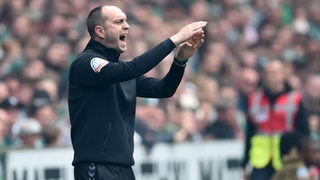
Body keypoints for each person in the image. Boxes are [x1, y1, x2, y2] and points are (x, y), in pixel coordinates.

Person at [67, 5, 207, 180]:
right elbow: (131, 69)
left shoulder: (120, 71)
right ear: (100, 31)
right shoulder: (87, 63)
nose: (127, 26)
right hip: (96, 166)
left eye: (126, 21)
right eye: (119, 22)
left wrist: (180, 60)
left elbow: (164, 89)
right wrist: (174, 40)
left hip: (124, 168)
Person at [241, 59, 309, 180]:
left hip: (287, 158)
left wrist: (305, 163)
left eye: (274, 73)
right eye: (267, 73)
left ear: (283, 75)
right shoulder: (253, 99)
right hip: (260, 160)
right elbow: (249, 133)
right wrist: (244, 164)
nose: (270, 77)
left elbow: (304, 133)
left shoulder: (295, 99)